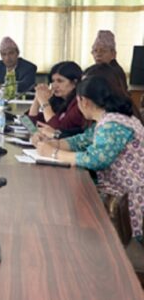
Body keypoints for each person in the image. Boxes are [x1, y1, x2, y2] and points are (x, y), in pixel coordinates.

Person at [34, 75, 144, 238]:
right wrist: (51, 143)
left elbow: (95, 160)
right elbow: (81, 141)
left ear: (83, 101)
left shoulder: (114, 124)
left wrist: (53, 153)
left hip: (132, 198)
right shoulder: (108, 118)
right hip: (122, 193)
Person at [28, 61, 87, 138]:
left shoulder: (79, 103)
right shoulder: (58, 100)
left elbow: (56, 131)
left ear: (75, 82)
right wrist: (37, 98)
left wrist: (44, 102)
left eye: (60, 81)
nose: (54, 85)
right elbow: (30, 125)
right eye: (53, 81)